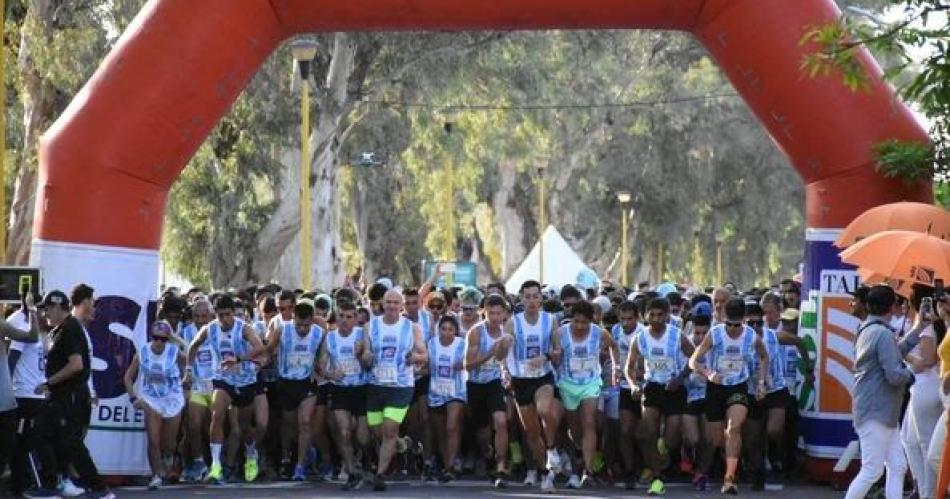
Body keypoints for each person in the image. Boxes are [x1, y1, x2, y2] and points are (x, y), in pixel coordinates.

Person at [33, 288, 114, 498]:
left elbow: (76, 365)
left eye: (48, 309)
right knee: (41, 434)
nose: (45, 313)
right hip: (60, 396)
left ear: (60, 307)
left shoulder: (70, 328)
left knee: (71, 443)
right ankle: (52, 484)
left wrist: (48, 383)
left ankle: (99, 489)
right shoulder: (59, 330)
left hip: (71, 396)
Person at [845, 285, 923, 499]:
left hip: (878, 411)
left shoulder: (869, 330)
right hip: (877, 411)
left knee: (897, 466)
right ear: (891, 307)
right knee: (872, 470)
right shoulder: (881, 333)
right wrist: (913, 372)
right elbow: (894, 375)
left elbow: (894, 354)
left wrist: (918, 330)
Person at [688, 297, 769, 495]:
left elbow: (764, 356)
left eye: (736, 324)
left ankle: (730, 478)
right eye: (729, 324)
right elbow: (693, 361)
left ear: (742, 320)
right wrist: (708, 374)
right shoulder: (714, 334)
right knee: (716, 439)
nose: (732, 329)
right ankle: (733, 460)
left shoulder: (751, 336)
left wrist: (760, 383)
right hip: (716, 388)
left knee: (734, 428)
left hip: (738, 387)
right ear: (723, 318)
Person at [187, 294, 268, 484]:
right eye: (220, 315)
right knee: (217, 415)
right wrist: (188, 371)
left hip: (246, 379)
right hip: (223, 378)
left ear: (233, 313)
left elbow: (260, 348)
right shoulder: (210, 329)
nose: (224, 319)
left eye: (228, 314)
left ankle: (250, 453)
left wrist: (240, 359)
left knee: (245, 426)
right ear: (215, 314)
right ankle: (216, 466)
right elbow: (193, 346)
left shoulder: (244, 328)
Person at [625, 298, 694, 496]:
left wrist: (680, 378)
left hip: (673, 388)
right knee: (648, 431)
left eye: (660, 314)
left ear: (667, 316)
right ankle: (657, 476)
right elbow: (629, 367)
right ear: (645, 316)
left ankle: (663, 456)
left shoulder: (676, 335)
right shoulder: (640, 338)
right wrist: (633, 385)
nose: (655, 319)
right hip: (652, 387)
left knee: (671, 437)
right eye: (651, 315)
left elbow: (694, 356)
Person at [359, 289, 427, 492]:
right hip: (376, 385)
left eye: (396, 303)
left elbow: (424, 355)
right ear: (382, 304)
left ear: (402, 305)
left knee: (389, 429)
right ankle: (400, 443)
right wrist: (366, 356)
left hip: (401, 386)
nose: (392, 306)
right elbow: (365, 353)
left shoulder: (412, 327)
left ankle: (380, 474)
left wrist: (415, 358)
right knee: (376, 430)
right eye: (388, 302)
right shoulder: (370, 326)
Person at [503, 280, 564, 492]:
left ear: (541, 298)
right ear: (521, 299)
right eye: (527, 297)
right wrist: (506, 364)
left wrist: (545, 356)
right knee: (531, 433)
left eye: (535, 296)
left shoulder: (551, 321)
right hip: (521, 380)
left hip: (543, 376)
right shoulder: (512, 323)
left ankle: (553, 448)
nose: (531, 301)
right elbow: (504, 354)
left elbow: (558, 353)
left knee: (545, 409)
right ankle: (546, 473)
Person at [556, 300, 619, 489]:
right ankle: (578, 451)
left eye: (584, 322)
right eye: (576, 321)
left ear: (591, 322)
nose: (580, 326)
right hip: (568, 384)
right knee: (575, 430)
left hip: (591, 383)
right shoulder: (561, 333)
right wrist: (555, 356)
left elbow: (613, 346)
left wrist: (615, 367)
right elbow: (554, 353)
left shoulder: (599, 333)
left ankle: (588, 470)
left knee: (589, 422)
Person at [124, 320, 188, 489]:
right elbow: (128, 377)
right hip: (151, 399)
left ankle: (171, 459)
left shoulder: (174, 351)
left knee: (168, 444)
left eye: (163, 339)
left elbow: (190, 355)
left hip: (172, 398)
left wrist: (176, 339)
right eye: (156, 338)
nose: (159, 342)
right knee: (154, 440)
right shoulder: (143, 352)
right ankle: (156, 476)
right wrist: (133, 398)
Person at [265, 298, 324, 481]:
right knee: (289, 425)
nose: (303, 329)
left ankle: (300, 466)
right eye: (299, 324)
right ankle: (285, 457)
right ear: (293, 318)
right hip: (286, 382)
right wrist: (259, 360)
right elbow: (268, 350)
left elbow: (322, 356)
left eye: (306, 325)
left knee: (305, 422)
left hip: (307, 382)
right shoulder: (283, 330)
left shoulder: (320, 333)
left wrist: (321, 368)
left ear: (312, 320)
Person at [464, 293, 512, 489]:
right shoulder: (476, 332)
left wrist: (506, 369)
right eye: (490, 313)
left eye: (498, 313)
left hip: (495, 382)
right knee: (483, 433)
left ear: (504, 314)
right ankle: (488, 454)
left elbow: (506, 359)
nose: (494, 317)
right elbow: (468, 365)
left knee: (501, 422)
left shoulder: (507, 333)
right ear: (484, 313)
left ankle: (501, 467)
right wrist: (490, 353)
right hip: (476, 385)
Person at [320, 299, 369, 490]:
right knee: (344, 431)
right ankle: (351, 472)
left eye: (349, 317)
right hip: (340, 389)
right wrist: (332, 374)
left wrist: (361, 355)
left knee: (363, 437)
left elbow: (369, 361)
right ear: (336, 316)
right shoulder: (329, 338)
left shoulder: (362, 334)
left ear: (356, 318)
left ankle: (366, 461)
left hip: (361, 388)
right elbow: (321, 366)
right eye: (341, 316)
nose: (345, 321)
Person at [742, 302, 789, 491]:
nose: (755, 327)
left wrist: (809, 367)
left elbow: (799, 342)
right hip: (752, 392)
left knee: (773, 430)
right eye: (750, 324)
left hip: (775, 389)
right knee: (753, 438)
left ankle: (775, 454)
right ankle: (757, 472)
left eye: (758, 323)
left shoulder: (774, 336)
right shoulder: (739, 341)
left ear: (763, 322)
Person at [900, 288, 941, 499]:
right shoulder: (923, 324)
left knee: (926, 445)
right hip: (922, 388)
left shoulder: (926, 326)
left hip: (927, 387)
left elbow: (927, 360)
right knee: (909, 439)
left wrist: (903, 353)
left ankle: (929, 493)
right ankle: (923, 488)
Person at [1, 292, 40, 496]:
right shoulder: (7, 323)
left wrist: (32, 310)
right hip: (10, 397)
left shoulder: (2, 324)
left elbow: (32, 337)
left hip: (6, 398)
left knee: (9, 442)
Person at [427, 315, 467, 483]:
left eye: (451, 329)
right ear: (439, 329)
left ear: (455, 331)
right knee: (441, 430)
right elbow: (426, 365)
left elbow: (469, 362)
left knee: (452, 426)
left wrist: (464, 364)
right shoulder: (432, 343)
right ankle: (447, 464)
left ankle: (450, 466)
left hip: (456, 391)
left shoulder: (462, 344)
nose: (447, 332)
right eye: (444, 329)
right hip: (436, 391)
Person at [180, 299, 214, 482]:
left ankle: (215, 463)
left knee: (213, 428)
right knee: (193, 426)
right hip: (197, 386)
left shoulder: (217, 330)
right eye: (197, 316)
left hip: (216, 385)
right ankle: (199, 462)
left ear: (211, 316)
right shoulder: (185, 332)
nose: (200, 320)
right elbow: (179, 357)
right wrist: (186, 374)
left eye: (204, 316)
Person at [613, 300, 645, 490]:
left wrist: (638, 373)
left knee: (642, 432)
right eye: (623, 319)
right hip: (625, 386)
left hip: (644, 385)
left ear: (637, 317)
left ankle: (648, 466)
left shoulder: (643, 333)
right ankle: (629, 470)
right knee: (625, 430)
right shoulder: (615, 331)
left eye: (630, 319)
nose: (626, 323)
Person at [683, 302, 713, 491]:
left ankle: (702, 472)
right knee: (693, 439)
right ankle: (686, 453)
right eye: (697, 333)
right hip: (687, 398)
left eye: (704, 333)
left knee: (708, 440)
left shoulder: (717, 345)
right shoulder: (683, 344)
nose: (700, 337)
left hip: (710, 397)